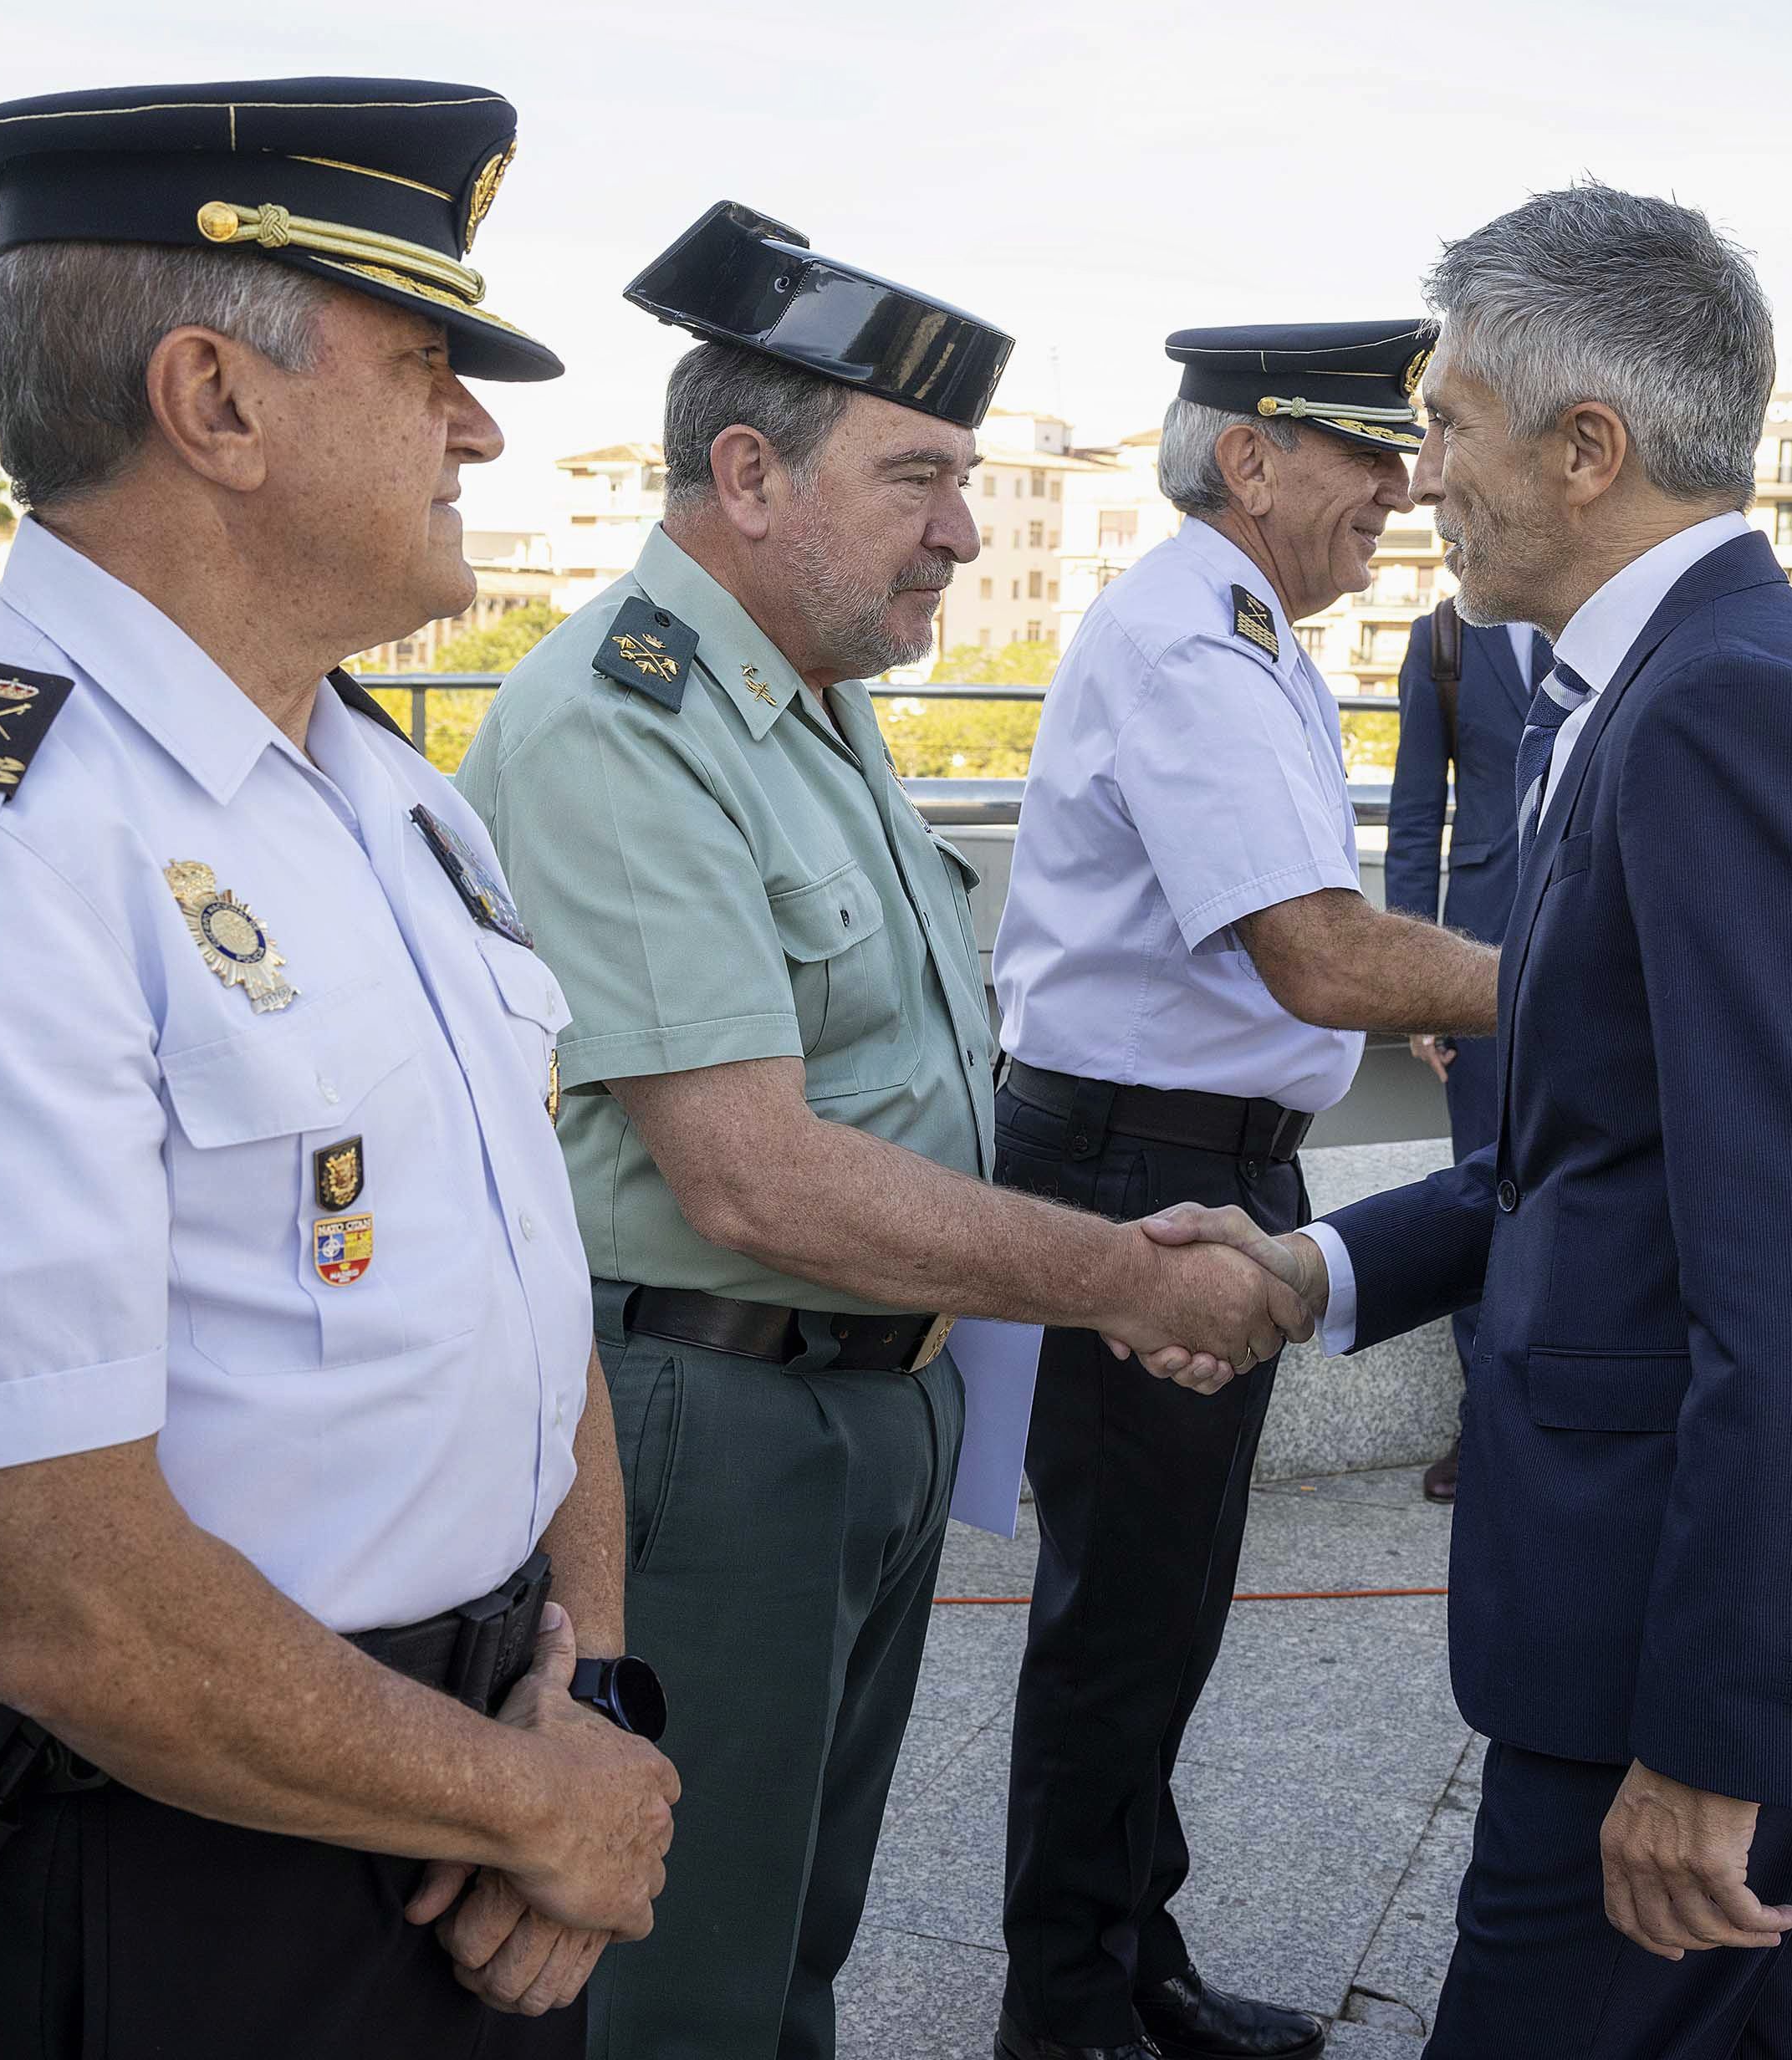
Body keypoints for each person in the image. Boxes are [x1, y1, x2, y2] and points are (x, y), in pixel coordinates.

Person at [0, 79, 678, 2060]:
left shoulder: (381, 794)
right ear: (212, 403)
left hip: (478, 1777)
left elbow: (515, 1291)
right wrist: (535, 1806)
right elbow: (69, 1607)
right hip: (160, 1870)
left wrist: (587, 1695)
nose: (474, 421)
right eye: (423, 363)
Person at [1149, 183, 1792, 2057]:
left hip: (1677, 1643)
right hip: (1696, 1605)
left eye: (1444, 423)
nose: (1422, 469)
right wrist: (1318, 1265)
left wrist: (1708, 1740)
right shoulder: (1671, 690)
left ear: (1586, 445)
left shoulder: (1723, 714)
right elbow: (1605, 1140)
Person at [452, 202, 1309, 2060]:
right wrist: (1119, 1276)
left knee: (791, 1946)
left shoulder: (811, 699)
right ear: (745, 476)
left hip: (863, 1409)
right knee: (681, 1978)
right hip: (709, 1427)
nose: (963, 530)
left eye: (964, 479)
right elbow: (748, 1172)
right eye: (917, 475)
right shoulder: (626, 720)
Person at [988, 320, 1506, 2060]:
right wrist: (1582, 981)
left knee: (1166, 1610)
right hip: (1139, 1164)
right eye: (1364, 454)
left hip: (1188, 1148)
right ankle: (1063, 2009)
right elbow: (1317, 956)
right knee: (1119, 1620)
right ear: (1250, 461)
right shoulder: (1197, 641)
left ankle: (1131, 1953)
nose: (1401, 485)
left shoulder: (1244, 631)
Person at [1387, 590, 1561, 1502]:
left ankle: (1566, 1409)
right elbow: (1416, 812)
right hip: (1477, 953)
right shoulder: (1444, 639)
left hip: (1596, 937)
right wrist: (1417, 982)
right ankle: (1482, 1418)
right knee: (1484, 1184)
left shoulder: (1614, 610)